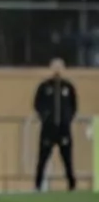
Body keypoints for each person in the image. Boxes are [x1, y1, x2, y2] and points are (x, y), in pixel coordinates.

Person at [33, 58, 78, 191]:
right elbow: (37, 104)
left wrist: (67, 119)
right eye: (55, 67)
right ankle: (37, 185)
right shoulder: (44, 86)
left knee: (67, 159)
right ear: (51, 68)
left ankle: (72, 185)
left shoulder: (68, 87)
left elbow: (74, 105)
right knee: (43, 158)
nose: (57, 70)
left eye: (60, 67)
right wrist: (45, 117)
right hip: (48, 129)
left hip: (64, 129)